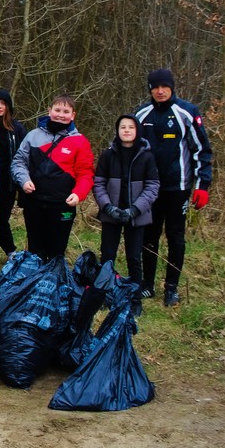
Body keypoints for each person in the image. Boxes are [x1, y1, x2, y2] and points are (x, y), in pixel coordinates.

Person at [134, 69, 213, 306]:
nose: (160, 91)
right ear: (150, 89)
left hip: (178, 189)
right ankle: (147, 284)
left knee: (176, 237)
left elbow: (201, 150)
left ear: (172, 88)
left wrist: (202, 185)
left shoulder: (187, 112)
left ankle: (172, 287)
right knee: (149, 236)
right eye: (155, 87)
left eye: (164, 87)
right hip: (149, 189)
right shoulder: (140, 114)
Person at [11, 95, 94, 260]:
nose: (61, 115)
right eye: (57, 110)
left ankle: (54, 282)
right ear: (49, 111)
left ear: (73, 115)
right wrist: (24, 180)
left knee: (56, 252)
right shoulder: (33, 136)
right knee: (35, 250)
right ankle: (35, 282)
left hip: (62, 205)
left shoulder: (80, 141)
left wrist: (78, 194)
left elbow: (86, 173)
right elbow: (18, 162)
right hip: (34, 202)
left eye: (66, 111)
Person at [93, 114, 160, 308]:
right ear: (117, 130)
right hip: (111, 215)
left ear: (137, 130)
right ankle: (103, 296)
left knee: (134, 257)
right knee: (107, 255)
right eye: (123, 127)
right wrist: (108, 207)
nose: (127, 130)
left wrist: (135, 209)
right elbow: (98, 184)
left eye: (131, 127)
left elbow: (153, 186)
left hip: (136, 217)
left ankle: (134, 298)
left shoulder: (147, 156)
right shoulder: (108, 155)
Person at [0, 89, 27, 272]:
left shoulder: (18, 129)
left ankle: (11, 252)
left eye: (3, 103)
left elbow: (25, 156)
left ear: (8, 106)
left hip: (8, 184)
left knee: (1, 220)